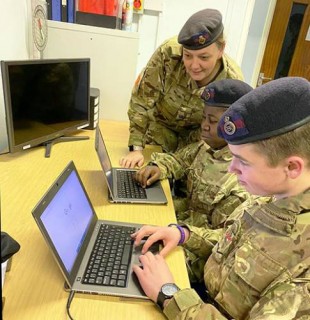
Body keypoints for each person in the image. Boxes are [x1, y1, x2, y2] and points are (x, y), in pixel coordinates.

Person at [131, 77, 310, 319]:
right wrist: (184, 234)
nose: (231, 169)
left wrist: (169, 295)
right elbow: (236, 245)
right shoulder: (274, 196)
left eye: (243, 162)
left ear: (292, 167)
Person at [120, 8, 244, 169]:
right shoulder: (168, 54)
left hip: (196, 144)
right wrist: (136, 148)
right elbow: (142, 99)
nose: (194, 65)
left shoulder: (232, 83)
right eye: (188, 56)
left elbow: (226, 138)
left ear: (221, 49)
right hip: (159, 130)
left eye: (204, 57)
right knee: (144, 174)